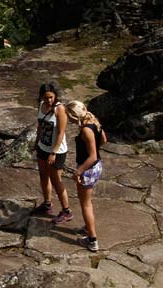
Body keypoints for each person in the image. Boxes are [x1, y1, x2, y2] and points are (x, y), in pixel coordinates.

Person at [66, 100, 107, 252]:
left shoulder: (86, 130)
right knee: (88, 202)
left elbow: (92, 156)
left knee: (86, 204)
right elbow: (103, 139)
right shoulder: (94, 123)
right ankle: (88, 227)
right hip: (96, 168)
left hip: (88, 168)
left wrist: (79, 171)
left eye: (69, 116)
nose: (68, 120)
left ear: (74, 116)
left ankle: (92, 240)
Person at [31, 82, 73, 224]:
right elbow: (40, 126)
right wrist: (36, 143)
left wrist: (53, 152)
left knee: (56, 180)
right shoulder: (41, 106)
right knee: (43, 176)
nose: (49, 100)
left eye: (51, 97)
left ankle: (66, 211)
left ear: (55, 96)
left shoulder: (59, 109)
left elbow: (61, 132)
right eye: (46, 97)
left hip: (57, 150)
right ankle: (47, 204)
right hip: (43, 146)